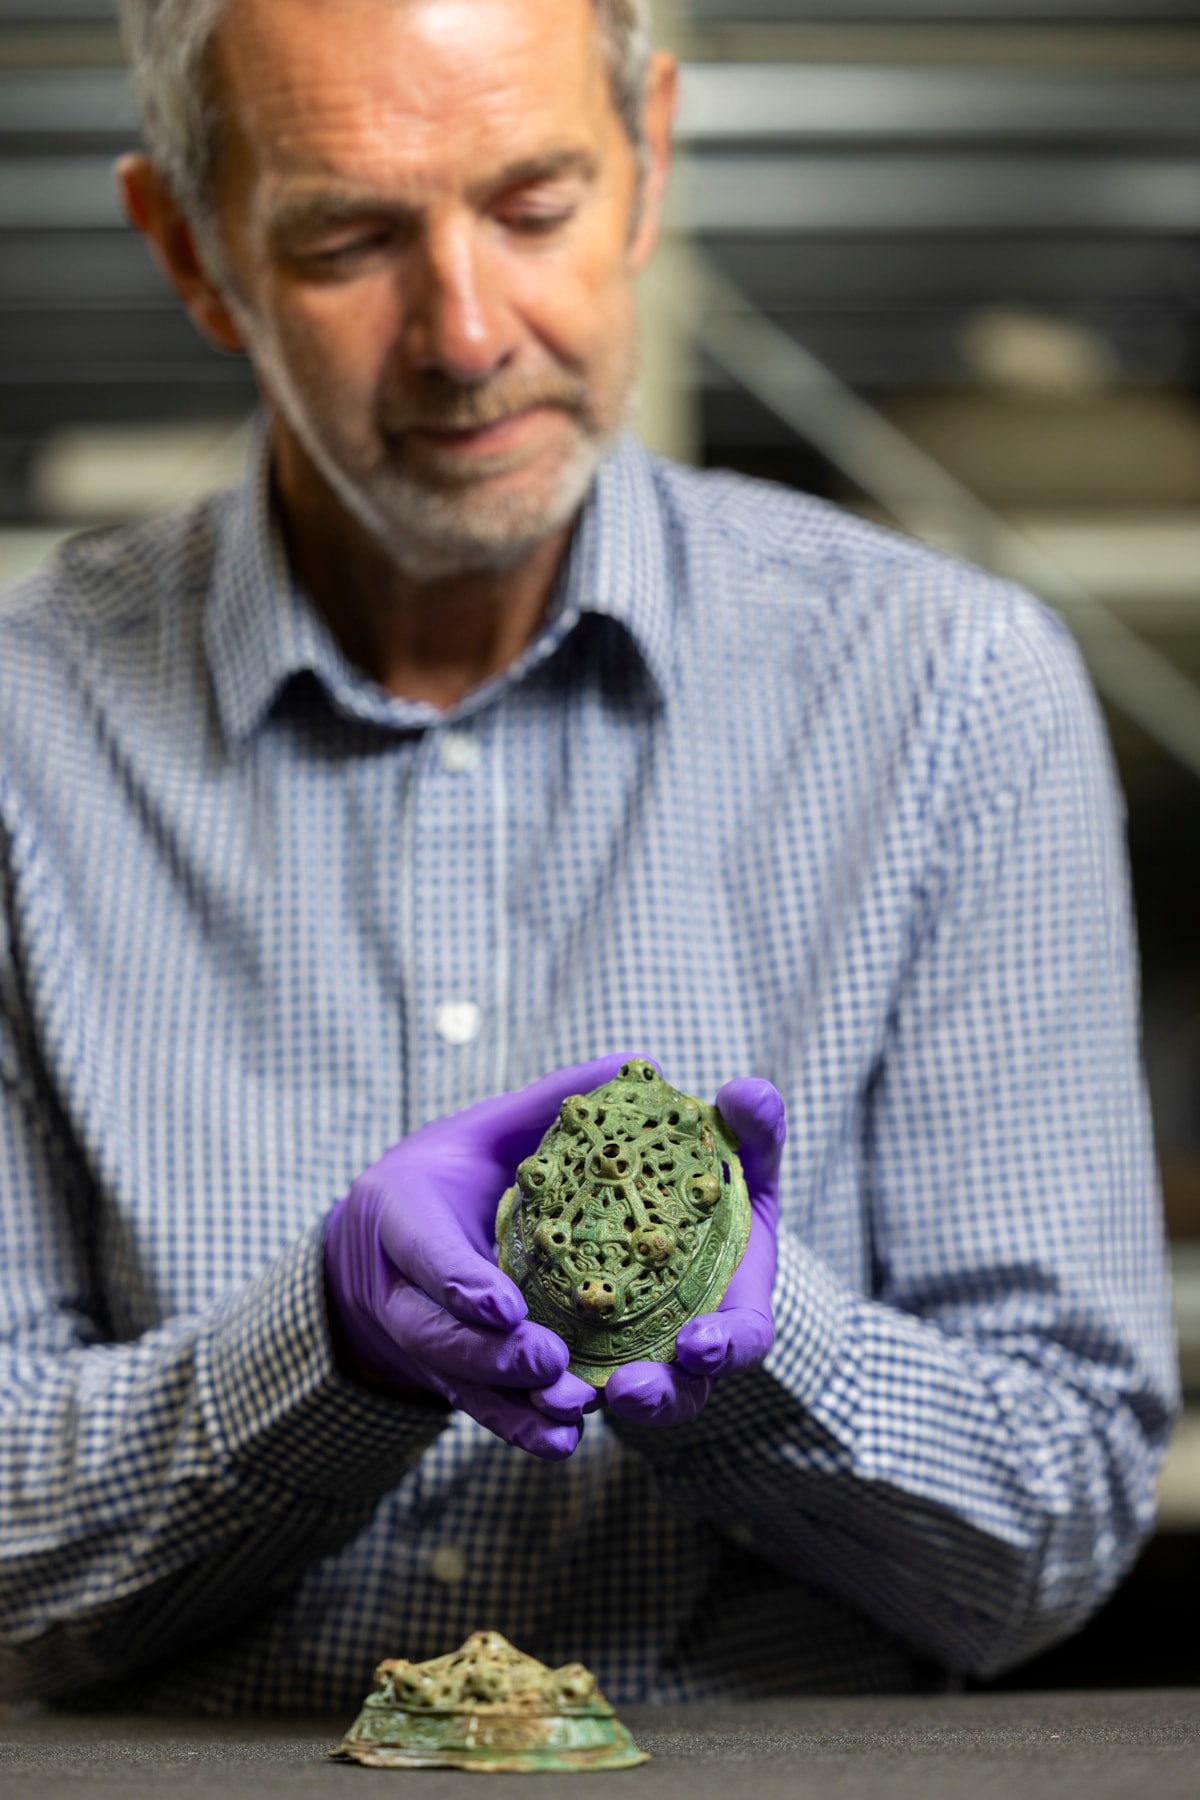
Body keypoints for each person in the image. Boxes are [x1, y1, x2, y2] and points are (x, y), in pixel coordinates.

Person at [0, 0, 1177, 1712]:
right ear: (193, 250)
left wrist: (771, 1356)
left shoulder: (949, 696)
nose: (469, 332)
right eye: (348, 238)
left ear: (648, 161)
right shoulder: (26, 749)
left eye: (536, 206)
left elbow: (1056, 1526)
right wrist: (321, 1354)